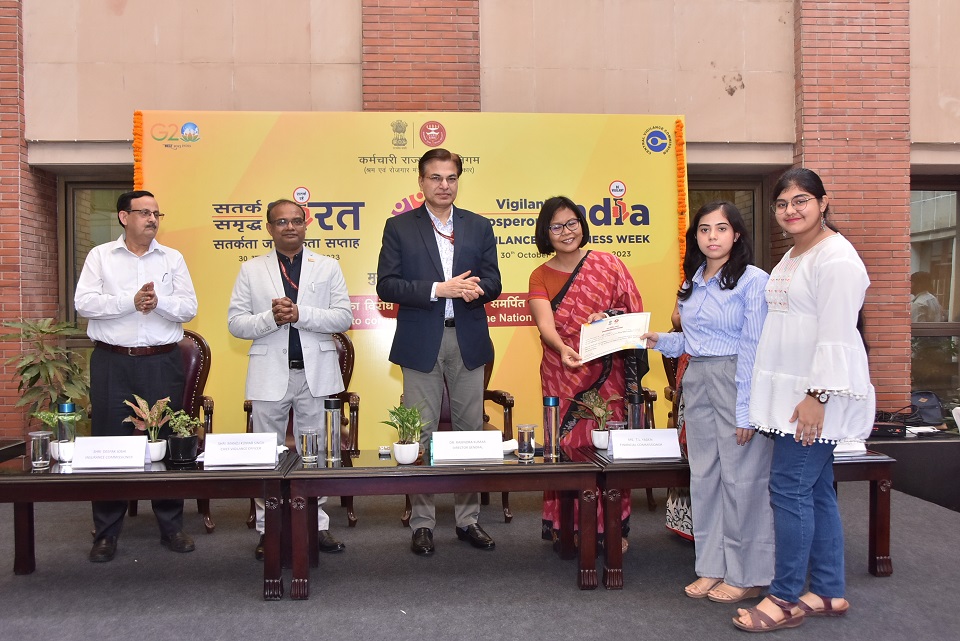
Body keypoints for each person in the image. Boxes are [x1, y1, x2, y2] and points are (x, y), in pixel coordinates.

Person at [735, 168, 875, 632]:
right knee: (814, 490)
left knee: (789, 489)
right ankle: (829, 591)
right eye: (782, 204)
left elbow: (838, 335)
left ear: (823, 202)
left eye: (801, 201)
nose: (790, 210)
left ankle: (785, 597)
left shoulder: (836, 258)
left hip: (814, 398)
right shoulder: (795, 253)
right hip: (792, 393)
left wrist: (817, 396)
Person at [641, 201, 773, 603]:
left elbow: (753, 346)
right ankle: (712, 567)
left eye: (721, 228)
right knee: (704, 478)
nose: (712, 236)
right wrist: (656, 340)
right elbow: (693, 342)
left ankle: (748, 573)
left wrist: (747, 411)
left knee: (742, 480)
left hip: (737, 378)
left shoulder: (753, 281)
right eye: (704, 229)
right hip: (697, 378)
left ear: (737, 234)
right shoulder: (693, 281)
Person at [376, 148, 502, 556]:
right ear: (421, 182)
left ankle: (468, 520)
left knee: (470, 431)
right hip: (421, 340)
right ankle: (423, 523)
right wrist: (438, 289)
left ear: (458, 181)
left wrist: (475, 288)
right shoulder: (399, 227)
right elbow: (387, 285)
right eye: (435, 178)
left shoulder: (478, 226)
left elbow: (495, 282)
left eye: (451, 178)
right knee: (420, 432)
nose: (444, 185)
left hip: (467, 338)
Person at [75, 190, 198, 562]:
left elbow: (189, 307)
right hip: (112, 362)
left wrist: (159, 303)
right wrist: (129, 301)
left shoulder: (172, 258)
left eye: (157, 213)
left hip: (161, 362)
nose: (152, 219)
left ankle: (171, 526)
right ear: (123, 217)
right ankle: (106, 532)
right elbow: (84, 303)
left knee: (167, 440)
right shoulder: (101, 256)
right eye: (144, 212)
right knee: (108, 443)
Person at [228, 199, 353, 560]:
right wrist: (272, 318)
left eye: (296, 221)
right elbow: (236, 323)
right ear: (269, 228)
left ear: (305, 225)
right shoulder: (251, 269)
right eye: (281, 222)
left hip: (317, 374)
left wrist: (300, 314)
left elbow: (343, 317)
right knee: (266, 454)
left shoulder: (327, 266)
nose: (290, 227)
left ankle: (317, 524)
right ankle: (268, 529)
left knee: (318, 453)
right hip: (269, 374)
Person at [527, 195, 647, 552]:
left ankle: (613, 528)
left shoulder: (609, 264)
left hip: (608, 372)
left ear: (581, 225)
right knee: (567, 446)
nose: (566, 231)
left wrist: (607, 317)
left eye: (572, 223)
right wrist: (562, 348)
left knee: (608, 446)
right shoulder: (540, 274)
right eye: (557, 226)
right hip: (562, 370)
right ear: (545, 233)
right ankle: (571, 526)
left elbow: (633, 313)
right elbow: (545, 325)